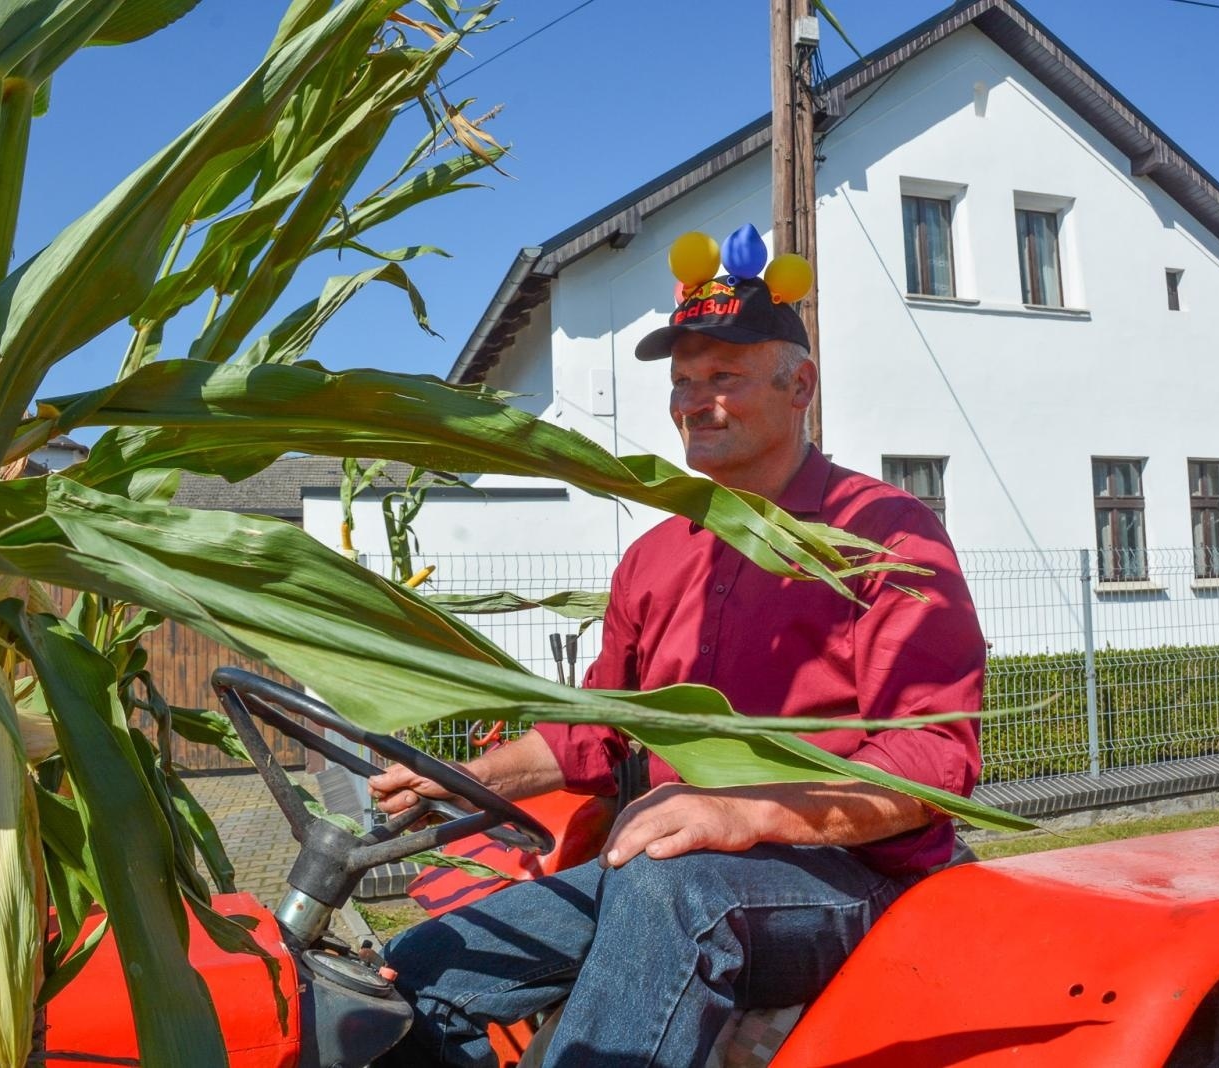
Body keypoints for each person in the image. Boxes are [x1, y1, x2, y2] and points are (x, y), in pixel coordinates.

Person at [370, 265, 986, 1068]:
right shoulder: (655, 557)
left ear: (800, 385)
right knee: (422, 970)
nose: (694, 401)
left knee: (674, 883)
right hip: (676, 866)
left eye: (723, 376)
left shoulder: (884, 532)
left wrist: (743, 814)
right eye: (682, 380)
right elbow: (595, 735)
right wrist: (462, 779)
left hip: (846, 875)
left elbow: (930, 756)